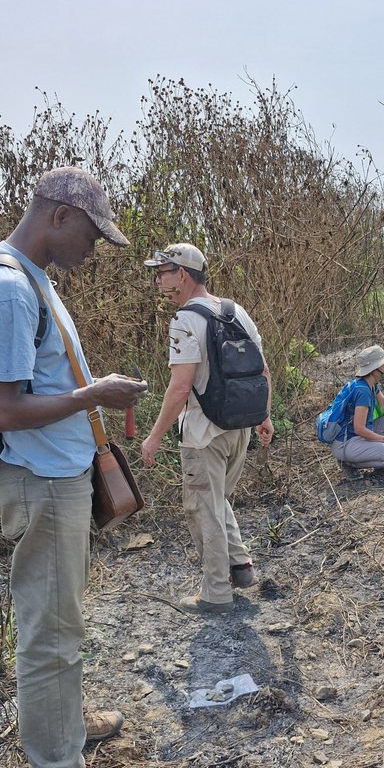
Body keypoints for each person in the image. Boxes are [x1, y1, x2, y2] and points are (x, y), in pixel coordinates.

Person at [0, 167, 148, 768]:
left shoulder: (32, 280)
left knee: (61, 617)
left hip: (55, 475)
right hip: (40, 480)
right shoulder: (9, 291)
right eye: (92, 237)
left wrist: (89, 395)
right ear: (59, 216)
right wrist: (92, 396)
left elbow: (37, 386)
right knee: (49, 627)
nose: (92, 250)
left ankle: (62, 724)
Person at [139, 243, 275, 616]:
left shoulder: (185, 320)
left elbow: (180, 387)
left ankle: (215, 594)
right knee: (217, 502)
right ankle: (241, 567)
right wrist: (264, 416)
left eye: (162, 273)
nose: (158, 281)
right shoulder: (236, 311)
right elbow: (262, 370)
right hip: (240, 426)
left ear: (182, 275)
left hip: (203, 432)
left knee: (202, 509)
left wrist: (154, 436)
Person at [329, 345, 384, 480]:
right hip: (346, 443)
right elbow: (359, 429)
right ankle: (348, 464)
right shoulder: (362, 391)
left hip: (356, 437)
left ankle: (381, 465)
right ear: (374, 369)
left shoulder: (370, 385)